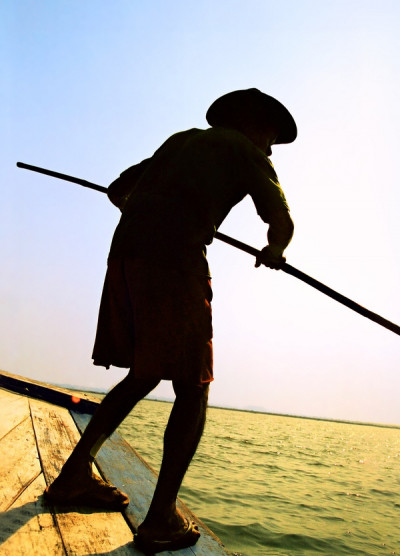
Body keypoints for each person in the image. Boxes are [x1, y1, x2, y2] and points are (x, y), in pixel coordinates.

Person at [44, 88, 297, 552]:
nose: (269, 150)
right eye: (271, 139)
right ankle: (161, 516)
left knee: (143, 373)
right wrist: (275, 250)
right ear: (255, 125)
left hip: (126, 256)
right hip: (174, 262)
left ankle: (74, 474)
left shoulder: (180, 140)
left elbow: (118, 188)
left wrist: (158, 212)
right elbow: (280, 218)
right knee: (193, 384)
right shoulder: (243, 149)